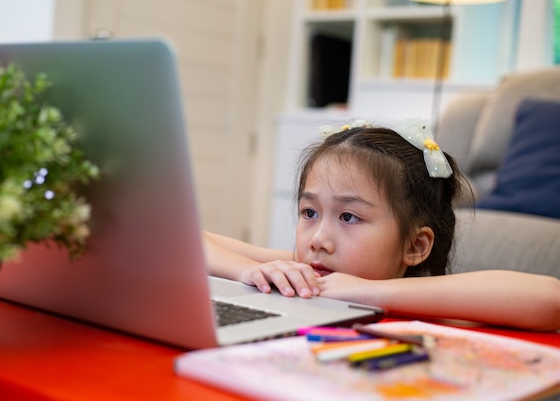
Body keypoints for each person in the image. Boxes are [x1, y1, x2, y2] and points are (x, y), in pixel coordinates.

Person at [204, 120, 560, 332]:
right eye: (309, 212)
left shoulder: (428, 299)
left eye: (349, 217)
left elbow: (550, 299)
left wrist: (365, 292)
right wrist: (251, 271)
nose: (319, 240)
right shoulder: (306, 271)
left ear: (416, 246)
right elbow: (183, 241)